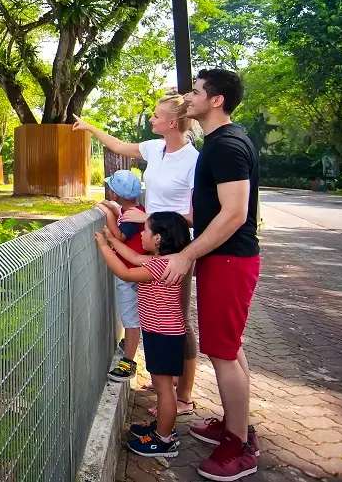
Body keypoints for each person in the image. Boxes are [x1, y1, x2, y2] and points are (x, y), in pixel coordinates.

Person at [158, 69, 261, 481]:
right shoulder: (219, 143)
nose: (189, 97)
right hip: (224, 259)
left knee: (222, 352)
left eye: (197, 92)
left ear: (216, 100)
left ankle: (238, 445)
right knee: (229, 348)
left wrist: (187, 254)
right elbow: (215, 207)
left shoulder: (227, 146)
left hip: (229, 260)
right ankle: (236, 424)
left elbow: (235, 214)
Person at [74, 93, 199, 417]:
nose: (151, 120)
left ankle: (182, 395)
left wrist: (149, 220)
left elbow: (196, 215)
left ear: (172, 123)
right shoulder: (154, 149)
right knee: (156, 318)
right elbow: (117, 146)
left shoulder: (193, 160)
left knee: (177, 321)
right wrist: (89, 128)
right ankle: (165, 382)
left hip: (175, 250)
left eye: (157, 116)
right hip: (149, 245)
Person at [94, 212, 192, 458]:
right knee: (162, 385)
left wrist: (104, 247)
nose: (140, 234)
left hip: (164, 334)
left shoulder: (161, 265)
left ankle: (163, 439)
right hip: (162, 333)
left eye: (145, 231)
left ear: (158, 238)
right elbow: (135, 257)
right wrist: (112, 239)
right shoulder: (165, 259)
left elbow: (126, 273)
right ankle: (162, 427)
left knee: (163, 388)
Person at [96, 169, 146, 382]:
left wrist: (107, 213)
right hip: (132, 271)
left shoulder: (131, 217)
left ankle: (128, 363)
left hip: (128, 275)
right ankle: (129, 346)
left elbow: (120, 236)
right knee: (131, 316)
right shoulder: (137, 210)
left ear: (115, 194)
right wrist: (113, 209)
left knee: (130, 319)